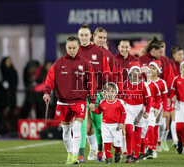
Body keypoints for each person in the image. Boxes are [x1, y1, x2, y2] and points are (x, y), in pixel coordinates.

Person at [43, 36, 96, 165]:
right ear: (66, 48)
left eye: (74, 48)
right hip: (63, 102)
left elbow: (92, 83)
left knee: (77, 127)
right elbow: (49, 79)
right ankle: (69, 154)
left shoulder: (86, 64)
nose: (72, 50)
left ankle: (74, 155)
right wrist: (46, 93)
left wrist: (93, 100)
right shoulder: (58, 64)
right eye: (69, 48)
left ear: (78, 47)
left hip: (79, 101)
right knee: (66, 130)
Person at [77, 24, 111, 162]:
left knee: (98, 126)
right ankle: (80, 154)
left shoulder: (99, 52)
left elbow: (107, 73)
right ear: (78, 36)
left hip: (96, 94)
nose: (84, 37)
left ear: (90, 36)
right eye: (81, 35)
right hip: (79, 94)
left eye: (86, 35)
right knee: (81, 125)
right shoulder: (75, 52)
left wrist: (105, 90)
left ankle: (99, 151)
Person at [140, 38, 175, 152]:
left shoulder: (165, 61)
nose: (161, 54)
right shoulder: (141, 59)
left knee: (159, 124)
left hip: (159, 99)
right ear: (153, 50)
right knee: (146, 124)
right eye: (160, 52)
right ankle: (146, 146)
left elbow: (169, 80)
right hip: (145, 99)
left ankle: (156, 144)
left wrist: (168, 98)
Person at [90, 82, 126, 164]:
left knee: (117, 145)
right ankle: (109, 158)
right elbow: (99, 111)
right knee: (107, 142)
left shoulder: (119, 103)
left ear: (116, 93)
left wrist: (121, 123)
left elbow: (123, 113)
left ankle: (118, 152)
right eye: (108, 91)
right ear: (104, 93)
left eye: (112, 91)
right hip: (105, 125)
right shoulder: (102, 102)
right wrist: (93, 110)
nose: (110, 93)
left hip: (116, 126)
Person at [123, 62, 151, 163]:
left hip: (140, 110)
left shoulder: (143, 85)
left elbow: (149, 100)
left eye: (137, 71)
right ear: (129, 73)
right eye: (133, 71)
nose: (135, 73)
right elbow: (122, 97)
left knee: (138, 132)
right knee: (129, 130)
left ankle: (135, 155)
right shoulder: (126, 83)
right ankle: (129, 153)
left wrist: (147, 111)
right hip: (129, 109)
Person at [140, 64, 162, 159]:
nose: (145, 74)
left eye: (147, 72)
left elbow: (158, 97)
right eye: (143, 72)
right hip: (141, 111)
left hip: (152, 110)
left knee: (150, 128)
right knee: (142, 132)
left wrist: (157, 108)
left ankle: (150, 149)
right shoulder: (138, 85)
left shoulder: (154, 85)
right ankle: (141, 151)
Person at [0, 57, 18, 134]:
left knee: (11, 112)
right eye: (7, 61)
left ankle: (12, 129)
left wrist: (10, 86)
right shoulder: (1, 70)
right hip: (2, 95)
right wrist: (3, 84)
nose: (9, 62)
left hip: (11, 94)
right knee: (1, 112)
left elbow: (15, 82)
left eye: (10, 61)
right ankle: (2, 128)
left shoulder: (13, 71)